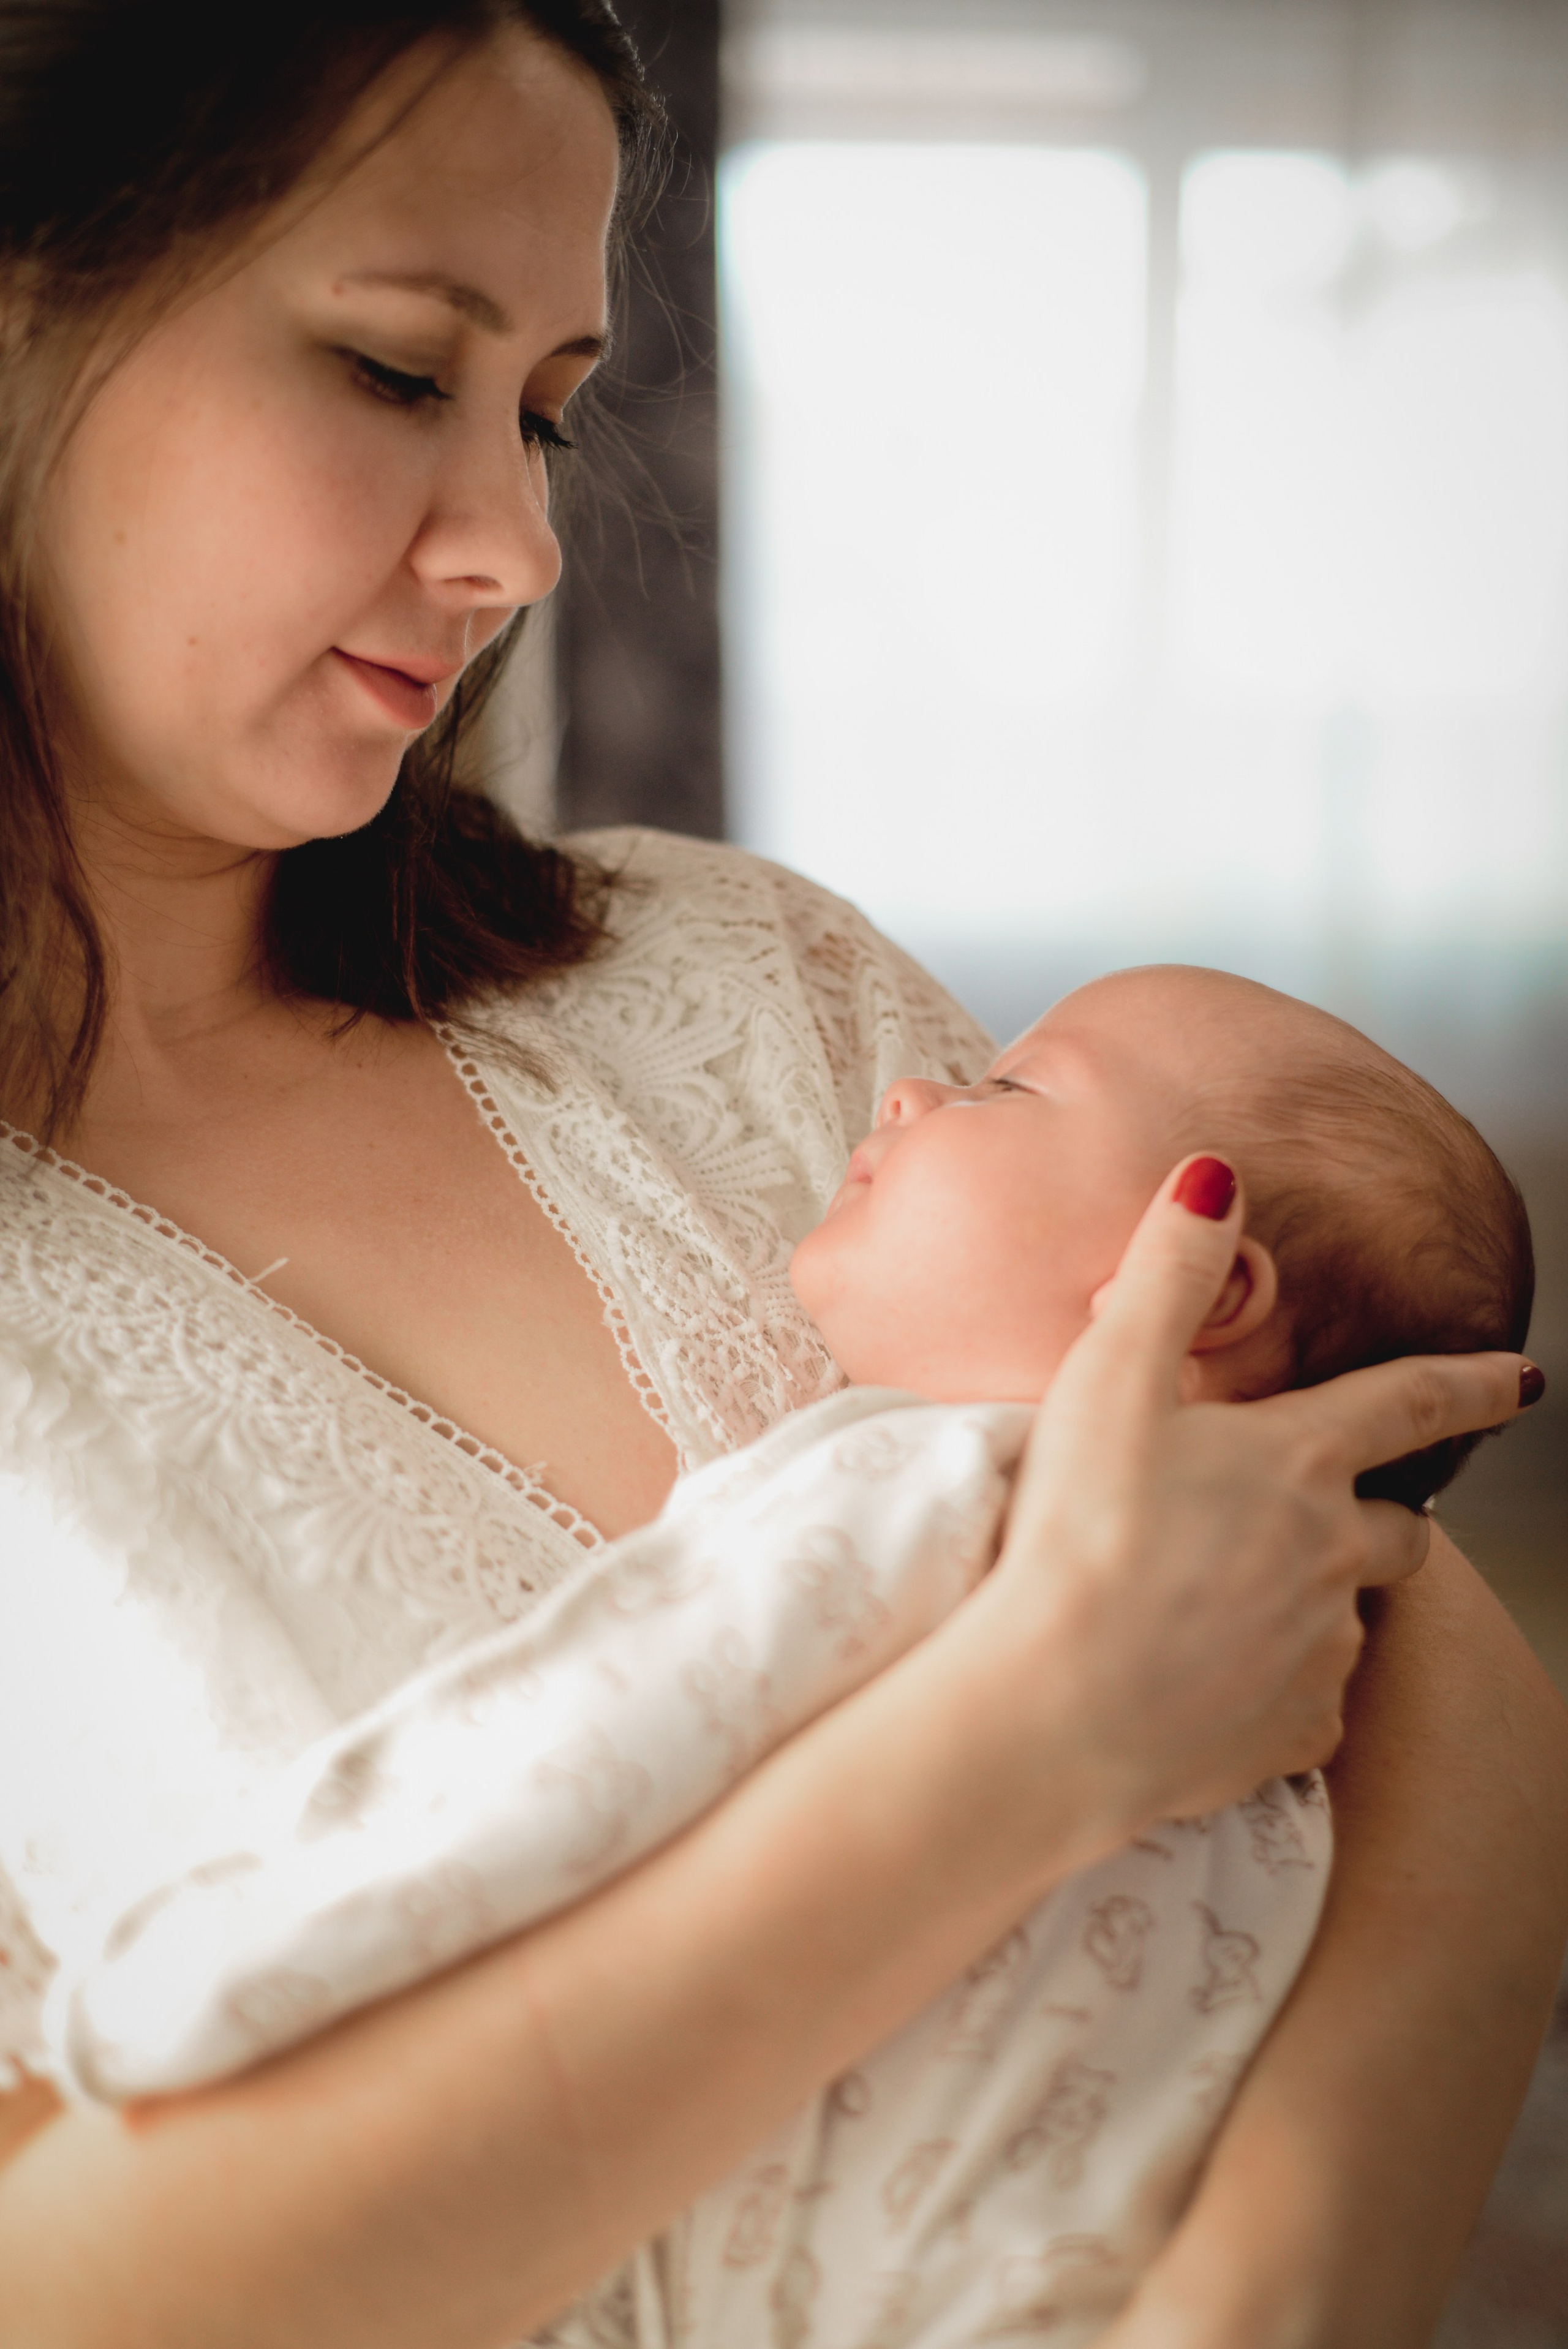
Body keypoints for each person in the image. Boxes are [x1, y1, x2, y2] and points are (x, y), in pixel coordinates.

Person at [0, 9, 1559, 2348]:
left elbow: (1405, 1605)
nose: (520, 543)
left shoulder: (746, 984)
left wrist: (1260, 2294)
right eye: (392, 367)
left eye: (543, 406)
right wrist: (1026, 1750)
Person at [45, 965, 1534, 2349]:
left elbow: (575, 1750)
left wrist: (232, 1956)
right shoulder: (1290, 1615)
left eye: (1006, 1091)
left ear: (1200, 1282)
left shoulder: (922, 1486)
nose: (904, 1091)